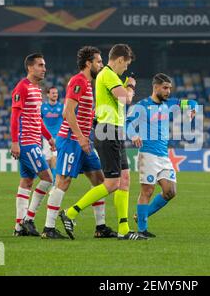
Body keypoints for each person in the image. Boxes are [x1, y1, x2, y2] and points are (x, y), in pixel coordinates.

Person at [59, 44, 147, 240]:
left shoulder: (110, 77)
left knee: (124, 180)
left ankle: (124, 230)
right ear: (120, 59)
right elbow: (125, 99)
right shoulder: (107, 75)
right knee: (112, 183)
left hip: (114, 130)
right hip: (107, 131)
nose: (126, 69)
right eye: (126, 64)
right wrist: (130, 85)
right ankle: (71, 212)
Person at [41, 46, 117, 239]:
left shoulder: (88, 84)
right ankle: (48, 228)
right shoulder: (78, 81)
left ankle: (100, 227)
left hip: (84, 142)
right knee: (63, 181)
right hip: (71, 140)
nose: (101, 65)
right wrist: (82, 137)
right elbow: (67, 112)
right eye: (99, 62)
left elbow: (84, 115)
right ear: (88, 63)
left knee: (100, 180)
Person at [127, 73, 197, 237]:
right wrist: (134, 135)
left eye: (169, 88)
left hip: (163, 156)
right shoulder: (142, 106)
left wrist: (192, 109)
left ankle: (141, 216)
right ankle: (142, 230)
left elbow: (192, 102)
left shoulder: (171, 104)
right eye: (165, 88)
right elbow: (128, 123)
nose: (168, 91)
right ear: (155, 87)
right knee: (147, 190)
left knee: (170, 191)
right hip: (148, 154)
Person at [10, 53, 56, 236]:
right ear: (30, 67)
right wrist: (15, 142)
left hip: (35, 140)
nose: (44, 68)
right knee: (48, 179)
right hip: (27, 142)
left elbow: (37, 118)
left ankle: (18, 228)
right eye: (40, 65)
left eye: (44, 65)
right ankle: (28, 218)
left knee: (27, 182)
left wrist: (48, 137)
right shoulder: (22, 87)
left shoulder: (36, 89)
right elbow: (15, 116)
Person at [41, 86, 64, 181]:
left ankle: (54, 182)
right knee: (47, 160)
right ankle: (50, 180)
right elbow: (39, 121)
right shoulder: (43, 107)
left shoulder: (62, 107)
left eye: (56, 93)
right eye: (53, 93)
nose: (55, 95)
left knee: (55, 158)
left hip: (58, 137)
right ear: (48, 94)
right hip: (46, 138)